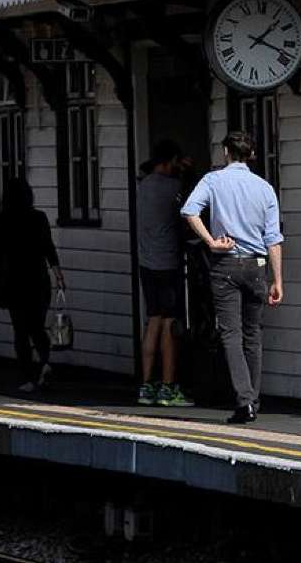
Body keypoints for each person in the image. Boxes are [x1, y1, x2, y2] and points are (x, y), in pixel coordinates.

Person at [180, 131, 282, 425]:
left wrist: (211, 241)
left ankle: (244, 400)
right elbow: (273, 238)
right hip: (257, 265)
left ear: (226, 151)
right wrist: (278, 280)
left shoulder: (213, 181)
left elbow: (189, 211)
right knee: (253, 333)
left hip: (224, 263)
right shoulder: (264, 188)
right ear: (250, 154)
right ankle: (254, 399)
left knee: (231, 334)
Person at [0, 178, 65, 392]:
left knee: (21, 331)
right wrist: (59, 275)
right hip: (38, 281)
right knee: (37, 327)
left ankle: (28, 378)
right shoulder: (39, 218)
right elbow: (49, 248)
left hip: (13, 284)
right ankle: (45, 362)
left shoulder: (3, 220)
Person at [135, 140, 193, 407]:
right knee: (170, 323)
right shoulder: (174, 187)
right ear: (171, 161)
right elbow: (187, 213)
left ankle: (147, 386)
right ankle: (169, 387)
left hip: (146, 262)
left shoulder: (143, 185)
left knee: (153, 321)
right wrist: (187, 174)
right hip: (168, 263)